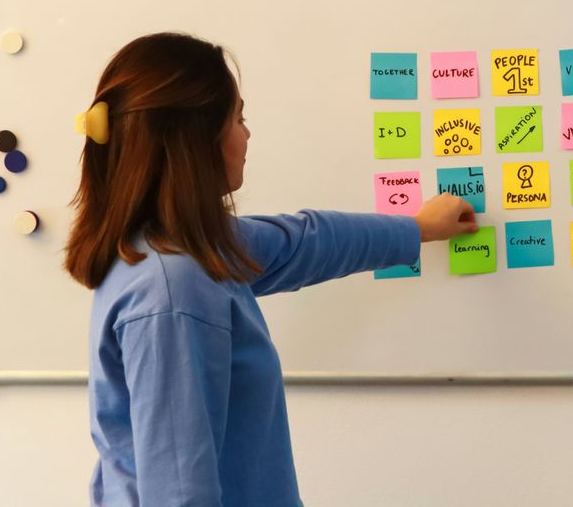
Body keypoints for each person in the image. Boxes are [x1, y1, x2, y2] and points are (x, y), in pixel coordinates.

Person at [64, 32, 478, 506]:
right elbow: (180, 494)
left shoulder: (182, 248)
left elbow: (304, 242)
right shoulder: (172, 292)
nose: (247, 133)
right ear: (198, 141)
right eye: (237, 118)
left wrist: (416, 230)